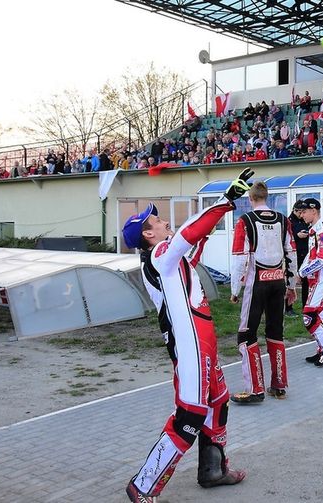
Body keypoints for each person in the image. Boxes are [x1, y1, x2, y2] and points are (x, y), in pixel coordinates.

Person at [121, 169, 254, 503]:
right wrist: (225, 201)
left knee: (218, 402)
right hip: (190, 345)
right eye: (157, 221)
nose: (164, 221)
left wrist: (207, 229)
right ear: (148, 235)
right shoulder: (159, 255)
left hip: (202, 341)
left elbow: (191, 247)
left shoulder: (166, 259)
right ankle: (143, 485)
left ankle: (213, 471)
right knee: (190, 415)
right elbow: (188, 234)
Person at [228, 182, 297, 404]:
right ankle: (279, 385)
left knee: (246, 335)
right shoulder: (283, 220)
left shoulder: (245, 220)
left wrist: (235, 290)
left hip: (255, 284)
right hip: (278, 282)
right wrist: (291, 285)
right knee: (276, 332)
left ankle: (255, 389)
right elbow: (292, 253)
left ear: (250, 198)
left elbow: (239, 258)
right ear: (267, 197)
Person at [297, 198, 323, 366]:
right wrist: (301, 271)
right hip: (315, 280)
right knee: (320, 316)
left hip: (322, 280)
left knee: (309, 315)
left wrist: (302, 272)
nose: (302, 215)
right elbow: (310, 255)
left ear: (314, 211)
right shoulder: (313, 231)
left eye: (304, 212)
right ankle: (322, 349)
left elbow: (322, 259)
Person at [286, 201, 310, 315]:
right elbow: (285, 238)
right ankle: (288, 307)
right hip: (293, 254)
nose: (302, 215)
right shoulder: (288, 221)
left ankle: (306, 306)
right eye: (300, 212)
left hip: (305, 254)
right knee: (290, 281)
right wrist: (297, 235)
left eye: (303, 212)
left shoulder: (305, 220)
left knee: (306, 281)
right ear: (295, 210)